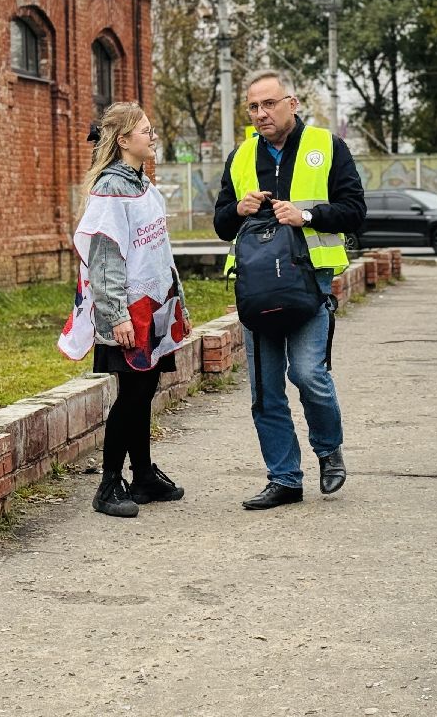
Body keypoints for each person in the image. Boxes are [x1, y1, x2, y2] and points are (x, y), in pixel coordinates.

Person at [213, 70, 366, 510]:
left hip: (309, 280)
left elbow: (355, 211)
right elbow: (221, 223)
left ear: (291, 103)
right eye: (253, 107)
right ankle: (284, 478)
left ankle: (328, 449)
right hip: (256, 286)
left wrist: (308, 216)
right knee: (265, 389)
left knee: (307, 373)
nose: (261, 114)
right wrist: (236, 210)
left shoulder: (327, 147)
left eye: (269, 104)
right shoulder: (241, 157)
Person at [59, 103, 191, 518]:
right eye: (146, 132)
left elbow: (154, 252)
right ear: (123, 141)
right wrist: (115, 316)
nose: (152, 137)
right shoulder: (111, 190)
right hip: (127, 313)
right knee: (131, 395)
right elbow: (104, 259)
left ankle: (144, 476)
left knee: (144, 391)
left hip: (152, 308)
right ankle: (109, 483)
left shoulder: (141, 183)